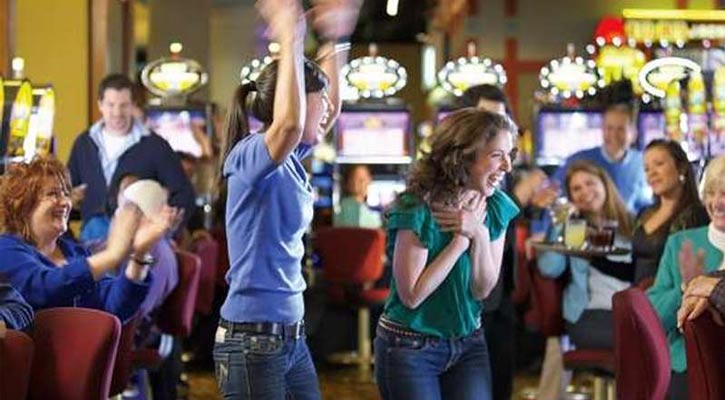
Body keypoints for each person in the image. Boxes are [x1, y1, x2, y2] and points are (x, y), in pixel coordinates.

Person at [213, 0, 360, 398]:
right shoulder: (251, 153)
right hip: (252, 342)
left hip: (290, 340)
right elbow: (292, 123)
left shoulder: (292, 158)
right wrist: (288, 35)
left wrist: (335, 40)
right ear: (289, 99)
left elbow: (323, 115)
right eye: (319, 97)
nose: (328, 107)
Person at [374, 108, 520, 400]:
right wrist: (459, 243)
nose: (507, 166)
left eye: (509, 155)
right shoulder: (416, 207)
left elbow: (482, 290)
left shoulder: (496, 206)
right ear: (464, 156)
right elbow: (412, 295)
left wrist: (478, 233)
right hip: (409, 346)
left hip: (468, 343)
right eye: (496, 155)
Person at [458, 83, 553, 400]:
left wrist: (531, 206)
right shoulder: (457, 165)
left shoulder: (504, 164)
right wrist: (519, 197)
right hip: (468, 293)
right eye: (486, 118)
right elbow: (473, 215)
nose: (495, 127)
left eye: (501, 119)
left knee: (501, 382)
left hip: (503, 292)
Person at [0, 157, 178, 322]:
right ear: (23, 205)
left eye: (65, 193)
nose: (65, 202)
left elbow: (115, 306)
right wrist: (112, 255)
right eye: (53, 194)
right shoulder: (6, 248)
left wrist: (141, 252)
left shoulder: (75, 251)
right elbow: (42, 288)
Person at [67, 73, 195, 242]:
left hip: (139, 235)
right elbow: (69, 192)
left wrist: (166, 226)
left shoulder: (155, 146)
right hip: (92, 235)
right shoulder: (84, 143)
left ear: (133, 105)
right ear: (100, 105)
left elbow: (184, 195)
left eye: (124, 105)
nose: (117, 112)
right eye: (111, 105)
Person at [648, 155, 725, 399]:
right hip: (689, 363)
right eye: (711, 193)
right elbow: (655, 318)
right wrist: (686, 287)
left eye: (724, 194)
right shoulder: (681, 243)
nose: (717, 203)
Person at [537, 161, 635, 350]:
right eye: (576, 189)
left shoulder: (631, 223)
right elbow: (548, 269)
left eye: (590, 183)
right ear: (572, 197)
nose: (585, 192)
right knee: (634, 342)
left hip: (628, 309)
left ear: (604, 183)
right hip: (588, 313)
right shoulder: (575, 228)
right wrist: (560, 224)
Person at [551, 103, 652, 214]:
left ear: (633, 134)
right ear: (602, 130)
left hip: (629, 228)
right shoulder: (578, 160)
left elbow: (647, 204)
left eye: (620, 129)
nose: (614, 135)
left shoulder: (644, 161)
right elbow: (552, 197)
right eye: (609, 128)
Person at [633, 139, 709, 284]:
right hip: (639, 301)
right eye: (647, 169)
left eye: (659, 164)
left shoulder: (695, 215)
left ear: (681, 168)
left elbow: (694, 274)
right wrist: (595, 257)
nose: (652, 174)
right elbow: (635, 268)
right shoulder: (645, 213)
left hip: (669, 302)